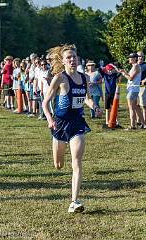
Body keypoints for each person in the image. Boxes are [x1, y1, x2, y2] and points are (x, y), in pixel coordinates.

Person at [42, 44, 103, 213]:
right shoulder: (59, 78)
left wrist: (95, 107)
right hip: (59, 124)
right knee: (59, 165)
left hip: (77, 123)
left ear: (78, 59)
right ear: (63, 61)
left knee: (76, 162)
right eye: (69, 58)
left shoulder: (84, 78)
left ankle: (74, 201)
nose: (72, 60)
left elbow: (86, 98)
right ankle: (56, 148)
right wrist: (49, 119)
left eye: (74, 57)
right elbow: (45, 102)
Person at [119, 53, 144, 130]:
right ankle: (143, 124)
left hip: (133, 90)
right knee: (136, 107)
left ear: (135, 58)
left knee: (131, 108)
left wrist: (123, 74)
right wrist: (124, 72)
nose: (129, 59)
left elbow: (130, 78)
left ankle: (132, 126)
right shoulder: (134, 66)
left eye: (130, 57)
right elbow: (131, 77)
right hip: (133, 89)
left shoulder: (136, 66)